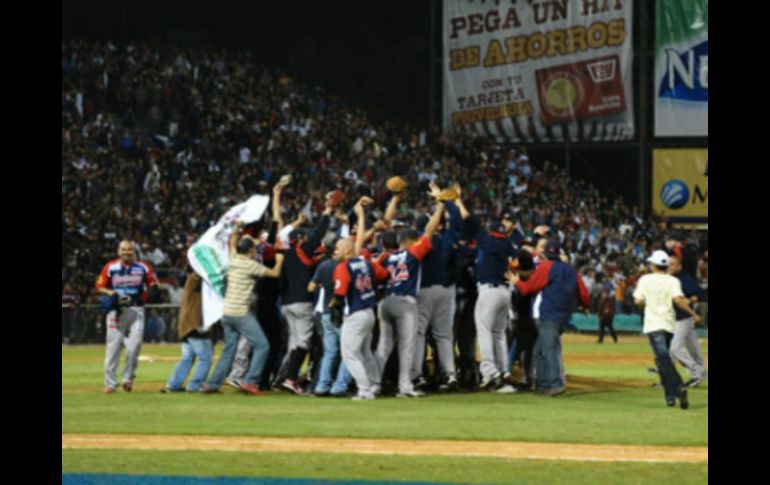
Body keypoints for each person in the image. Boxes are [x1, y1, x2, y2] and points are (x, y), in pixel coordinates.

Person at [374, 191, 445, 398]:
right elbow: (430, 231)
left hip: (385, 302)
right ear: (412, 241)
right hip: (405, 303)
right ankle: (404, 386)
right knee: (407, 346)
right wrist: (440, 205)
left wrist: (394, 198)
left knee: (383, 347)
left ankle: (374, 384)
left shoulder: (386, 256)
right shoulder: (413, 252)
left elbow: (384, 226)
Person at [203, 224, 285, 395]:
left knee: (229, 350)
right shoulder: (250, 265)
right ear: (249, 252)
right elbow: (275, 274)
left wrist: (236, 228)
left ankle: (212, 384)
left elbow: (232, 244)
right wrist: (280, 260)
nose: (255, 252)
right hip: (241, 313)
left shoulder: (233, 260)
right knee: (263, 345)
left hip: (227, 313)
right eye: (254, 249)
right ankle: (249, 381)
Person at [506, 240, 589, 397]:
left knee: (548, 349)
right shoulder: (570, 270)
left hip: (550, 313)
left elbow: (530, 288)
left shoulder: (546, 267)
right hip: (564, 314)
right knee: (539, 349)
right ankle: (543, 384)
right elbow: (582, 291)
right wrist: (585, 305)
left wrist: (517, 283)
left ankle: (554, 384)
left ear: (546, 254)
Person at [331, 200, 389, 400]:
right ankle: (374, 384)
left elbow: (339, 294)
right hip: (369, 312)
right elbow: (385, 275)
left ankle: (364, 390)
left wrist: (333, 305)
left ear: (346, 251)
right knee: (365, 352)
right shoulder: (366, 262)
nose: (334, 252)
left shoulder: (342, 267)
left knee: (349, 354)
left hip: (355, 314)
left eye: (337, 249)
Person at [632, 250, 700, 409]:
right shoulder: (672, 281)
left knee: (662, 358)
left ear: (653, 265)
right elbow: (679, 300)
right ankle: (670, 397)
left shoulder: (645, 279)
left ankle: (678, 387)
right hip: (669, 324)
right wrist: (693, 313)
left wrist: (644, 305)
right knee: (663, 359)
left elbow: (638, 301)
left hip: (653, 324)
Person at [95, 240, 160, 393]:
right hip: (116, 311)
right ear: (118, 251)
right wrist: (113, 294)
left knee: (134, 347)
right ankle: (110, 383)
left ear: (134, 251)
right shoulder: (110, 267)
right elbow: (99, 286)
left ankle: (128, 378)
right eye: (124, 249)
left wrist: (154, 288)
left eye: (130, 250)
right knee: (113, 348)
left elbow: (154, 283)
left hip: (136, 310)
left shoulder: (143, 267)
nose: (127, 252)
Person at [308, 234, 352, 396]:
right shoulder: (345, 266)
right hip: (341, 313)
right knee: (349, 352)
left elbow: (311, 288)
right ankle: (339, 386)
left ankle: (322, 386)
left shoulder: (324, 265)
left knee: (329, 353)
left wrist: (323, 284)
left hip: (325, 313)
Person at [163, 271, 213, 393]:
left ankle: (172, 385)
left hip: (187, 325)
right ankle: (195, 385)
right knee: (205, 358)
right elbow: (198, 276)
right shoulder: (194, 280)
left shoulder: (195, 287)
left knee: (187, 358)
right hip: (195, 325)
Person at [667, 254, 707, 387]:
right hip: (675, 318)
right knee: (694, 348)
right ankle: (696, 377)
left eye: (672, 264)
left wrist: (690, 300)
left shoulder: (684, 279)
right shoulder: (668, 278)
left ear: (679, 266)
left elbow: (701, 293)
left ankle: (698, 371)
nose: (669, 266)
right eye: (668, 264)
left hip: (682, 318)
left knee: (675, 349)